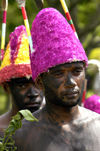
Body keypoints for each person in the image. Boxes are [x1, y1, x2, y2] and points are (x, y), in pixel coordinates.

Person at [14, 8, 100, 151]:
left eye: (77, 71)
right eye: (59, 74)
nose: (71, 83)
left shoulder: (98, 125)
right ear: (40, 82)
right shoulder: (22, 136)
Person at [0, 25, 44, 132]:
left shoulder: (58, 129)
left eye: (38, 83)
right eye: (23, 85)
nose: (33, 93)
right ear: (7, 87)